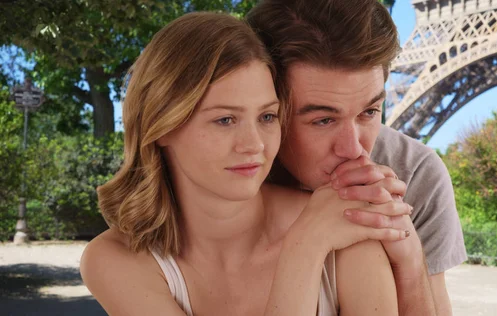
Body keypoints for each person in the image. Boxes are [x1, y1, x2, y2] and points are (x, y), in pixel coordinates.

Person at [79, 12, 423, 316]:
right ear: (162, 127)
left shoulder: (347, 223)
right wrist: (303, 250)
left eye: (267, 116)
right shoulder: (113, 260)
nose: (255, 144)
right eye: (225, 120)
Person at [246, 0, 468, 314]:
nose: (354, 149)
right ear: (269, 108)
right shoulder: (230, 172)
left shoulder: (417, 173)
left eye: (369, 112)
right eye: (323, 120)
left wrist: (411, 263)